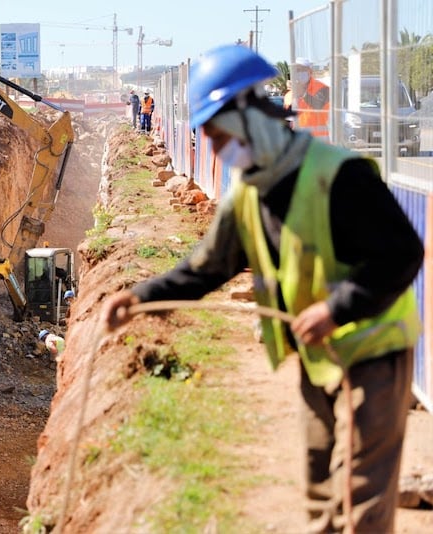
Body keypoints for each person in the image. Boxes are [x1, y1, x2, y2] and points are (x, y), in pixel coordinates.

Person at [101, 43, 422, 533]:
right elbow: (206, 269)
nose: (215, 144)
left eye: (218, 131)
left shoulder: (341, 177)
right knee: (319, 488)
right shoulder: (248, 193)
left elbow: (401, 254)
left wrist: (337, 309)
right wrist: (140, 296)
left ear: (250, 113)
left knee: (360, 498)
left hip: (370, 352)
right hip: (317, 357)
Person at [290, 57, 330, 138]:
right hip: (298, 142)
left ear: (310, 72)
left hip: (319, 143)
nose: (297, 73)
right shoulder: (289, 94)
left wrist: (302, 93)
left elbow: (318, 106)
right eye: (295, 70)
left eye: (300, 69)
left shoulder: (323, 88)